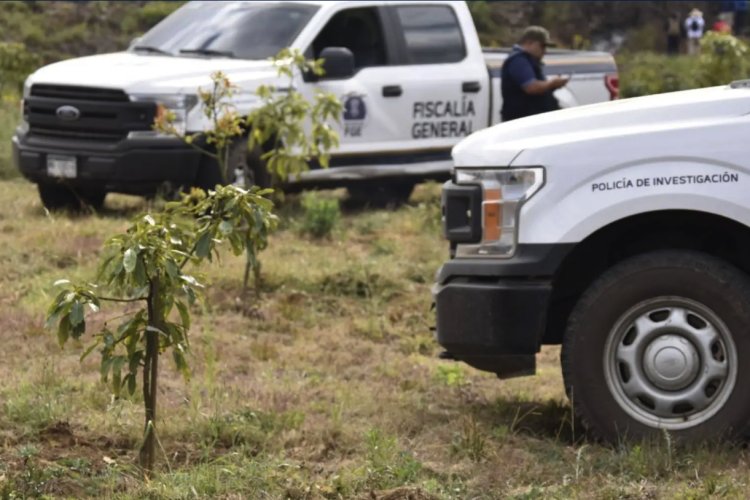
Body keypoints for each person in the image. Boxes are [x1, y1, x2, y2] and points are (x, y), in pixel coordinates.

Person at [500, 26, 569, 122]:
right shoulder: (519, 60)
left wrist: (552, 86)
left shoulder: (527, 60)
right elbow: (531, 87)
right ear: (529, 43)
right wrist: (552, 83)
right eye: (542, 46)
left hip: (533, 119)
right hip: (523, 121)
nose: (545, 51)